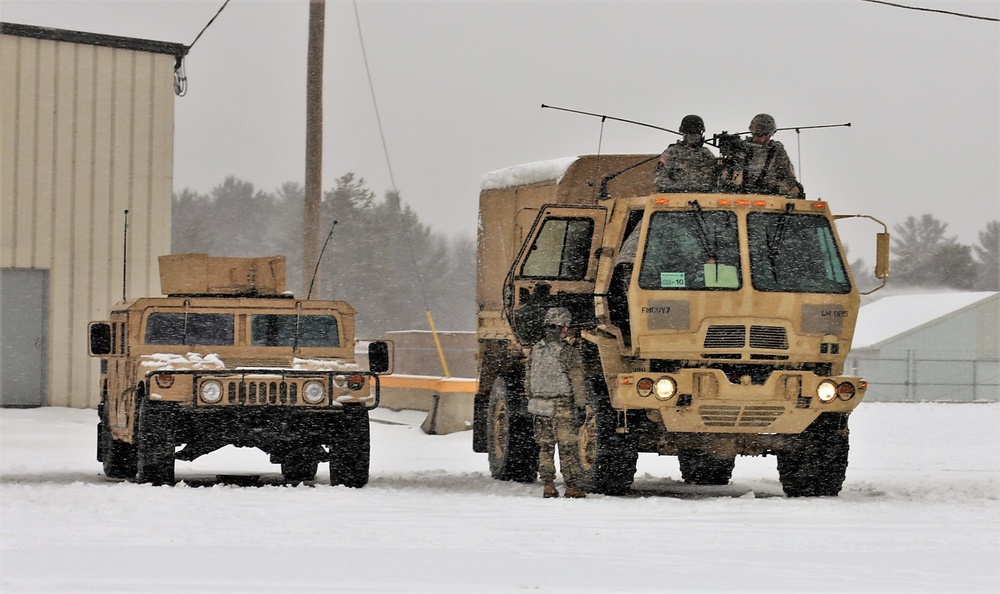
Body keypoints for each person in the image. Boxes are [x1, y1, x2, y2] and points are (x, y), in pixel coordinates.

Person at [525, 307, 587, 498]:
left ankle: (548, 485)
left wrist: (532, 399)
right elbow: (577, 380)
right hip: (562, 406)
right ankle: (572, 486)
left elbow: (528, 379)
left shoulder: (536, 350)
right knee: (567, 446)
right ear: (563, 328)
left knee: (545, 446)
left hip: (539, 405)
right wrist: (581, 405)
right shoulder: (567, 352)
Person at [721, 113, 804, 198]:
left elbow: (790, 180)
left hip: (768, 198)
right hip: (739, 196)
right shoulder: (741, 148)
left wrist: (775, 188)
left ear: (770, 135)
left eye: (760, 135)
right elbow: (726, 174)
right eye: (754, 134)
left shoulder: (777, 152)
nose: (755, 138)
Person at [653, 115, 718, 193]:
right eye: (690, 132)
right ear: (684, 134)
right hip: (675, 194)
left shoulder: (706, 154)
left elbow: (715, 177)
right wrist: (676, 188)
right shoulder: (671, 152)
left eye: (696, 133)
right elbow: (661, 176)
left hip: (703, 195)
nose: (693, 136)